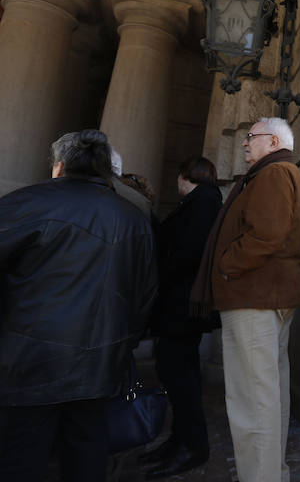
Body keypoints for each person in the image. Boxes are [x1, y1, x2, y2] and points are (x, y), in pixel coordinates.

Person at [0, 130, 157, 480]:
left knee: (21, 458)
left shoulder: (28, 202)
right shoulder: (133, 217)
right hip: (100, 362)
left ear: (59, 165)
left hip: (29, 361)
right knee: (86, 454)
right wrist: (123, 345)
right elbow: (145, 297)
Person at [191, 117, 300, 482]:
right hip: (264, 296)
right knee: (267, 397)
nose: (244, 143)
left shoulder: (272, 174)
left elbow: (265, 235)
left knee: (252, 402)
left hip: (254, 297)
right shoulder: (279, 171)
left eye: (250, 138)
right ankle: (272, 473)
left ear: (272, 141)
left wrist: (225, 266)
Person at [142, 156, 222, 478]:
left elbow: (189, 253)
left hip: (182, 306)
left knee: (180, 377)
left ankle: (192, 445)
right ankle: (181, 439)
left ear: (184, 176)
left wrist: (161, 272)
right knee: (178, 374)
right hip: (180, 305)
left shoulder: (201, 204)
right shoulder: (199, 203)